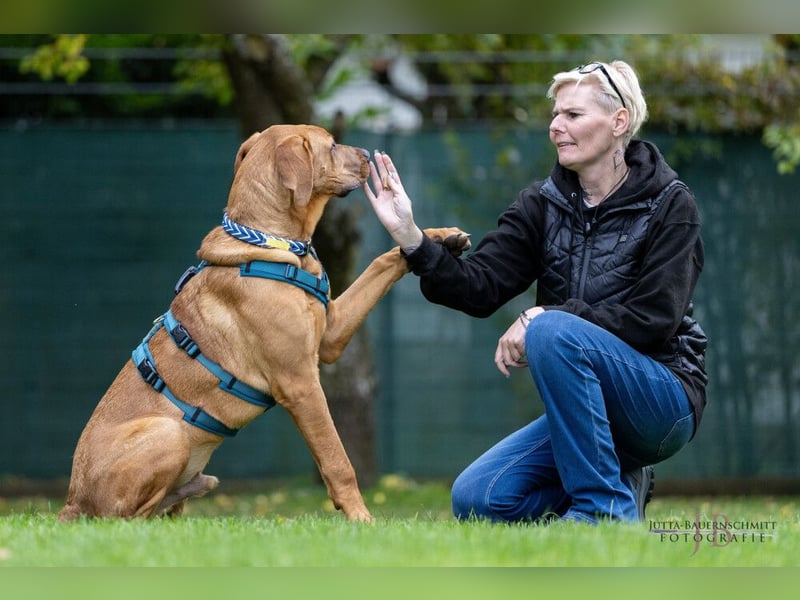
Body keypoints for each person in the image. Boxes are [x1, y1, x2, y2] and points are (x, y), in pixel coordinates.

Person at [363, 60, 707, 524]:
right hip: (587, 411)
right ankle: (623, 486)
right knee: (478, 497)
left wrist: (545, 317)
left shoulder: (671, 204)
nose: (556, 127)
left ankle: (602, 511)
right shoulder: (542, 204)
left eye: (573, 115)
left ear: (619, 121)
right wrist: (411, 237)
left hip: (662, 400)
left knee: (550, 329)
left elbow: (654, 320)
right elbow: (479, 287)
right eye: (555, 115)